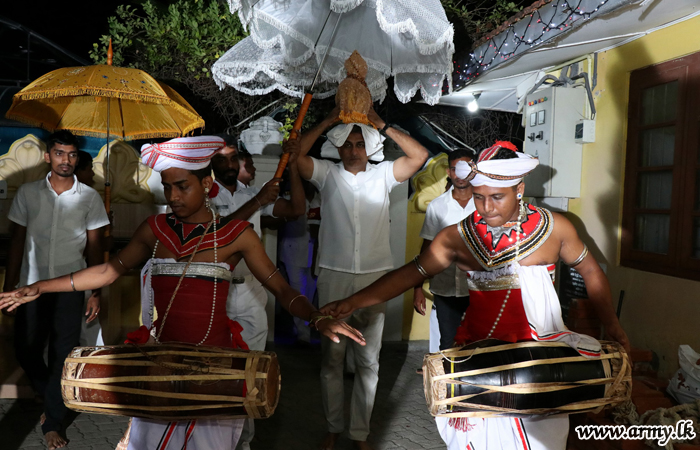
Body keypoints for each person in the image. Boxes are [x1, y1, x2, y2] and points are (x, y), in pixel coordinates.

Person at [0, 135, 366, 450]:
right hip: (159, 368)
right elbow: (107, 271)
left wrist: (317, 318)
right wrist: (38, 287)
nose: (172, 196)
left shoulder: (236, 235)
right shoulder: (155, 228)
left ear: (206, 185)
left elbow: (283, 290)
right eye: (167, 187)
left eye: (182, 186)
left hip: (214, 372)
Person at [321, 141, 630, 450]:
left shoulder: (554, 229)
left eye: (497, 197)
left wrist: (612, 325)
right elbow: (411, 273)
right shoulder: (458, 237)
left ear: (519, 188)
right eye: (479, 197)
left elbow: (590, 271)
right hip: (480, 361)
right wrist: (354, 301)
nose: (486, 207)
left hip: (539, 360)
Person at [295, 106, 429, 450]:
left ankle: (360, 433)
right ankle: (332, 426)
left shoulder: (384, 174)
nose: (354, 150)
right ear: (338, 148)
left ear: (369, 147)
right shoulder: (326, 173)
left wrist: (379, 122)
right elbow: (295, 154)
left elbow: (420, 155)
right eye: (347, 144)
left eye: (359, 144)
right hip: (334, 276)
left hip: (375, 279)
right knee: (332, 360)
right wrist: (328, 120)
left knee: (369, 360)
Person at [3, 130, 109, 449]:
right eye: (60, 153)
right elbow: (17, 241)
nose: (67, 160)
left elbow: (94, 248)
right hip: (30, 286)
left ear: (77, 158)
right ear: (48, 156)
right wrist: (10, 286)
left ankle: (52, 421)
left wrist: (95, 292)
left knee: (63, 354)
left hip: (71, 287)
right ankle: (53, 392)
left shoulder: (90, 197)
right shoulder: (27, 193)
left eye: (72, 154)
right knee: (25, 349)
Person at [211, 134, 305, 450]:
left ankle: (244, 443)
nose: (228, 163)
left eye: (232, 157)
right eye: (221, 158)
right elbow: (220, 234)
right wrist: (259, 202)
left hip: (251, 293)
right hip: (216, 294)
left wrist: (292, 166)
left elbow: (296, 208)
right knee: (219, 373)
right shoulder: (205, 196)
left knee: (250, 374)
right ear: (211, 163)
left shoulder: (252, 194)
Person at [414, 149, 475, 351]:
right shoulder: (437, 206)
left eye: (465, 168)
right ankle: (448, 383)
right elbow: (427, 248)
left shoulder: (486, 204)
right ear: (449, 172)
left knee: (478, 343)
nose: (460, 174)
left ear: (473, 170)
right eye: (455, 169)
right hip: (445, 288)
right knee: (448, 344)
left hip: (479, 288)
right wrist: (417, 288)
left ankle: (472, 383)